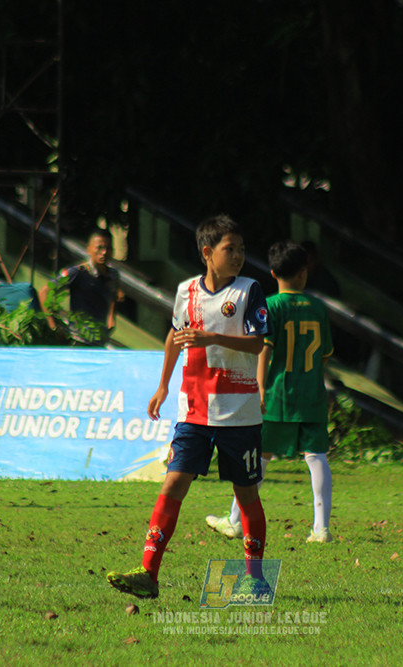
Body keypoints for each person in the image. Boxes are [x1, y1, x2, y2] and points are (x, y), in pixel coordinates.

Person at [106, 214, 271, 599]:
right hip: (193, 410)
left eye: (242, 249)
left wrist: (211, 336)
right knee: (173, 482)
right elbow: (175, 337)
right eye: (231, 249)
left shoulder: (249, 291)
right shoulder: (186, 291)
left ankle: (256, 579)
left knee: (246, 493)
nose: (239, 256)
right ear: (207, 253)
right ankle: (148, 573)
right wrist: (163, 385)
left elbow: (257, 343)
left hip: (239, 413)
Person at [206, 240, 336, 543]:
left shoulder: (271, 305)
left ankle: (235, 520)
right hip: (312, 393)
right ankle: (321, 528)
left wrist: (260, 386)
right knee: (316, 456)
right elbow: (325, 354)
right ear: (305, 273)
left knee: (258, 456)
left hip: (279, 394)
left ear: (273, 271)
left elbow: (265, 348)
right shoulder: (318, 307)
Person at [39, 229, 120, 346]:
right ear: (89, 249)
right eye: (99, 248)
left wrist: (112, 317)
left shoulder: (113, 275)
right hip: (78, 341)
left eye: (108, 248)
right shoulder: (77, 273)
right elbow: (45, 292)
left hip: (100, 341)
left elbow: (113, 295)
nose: (104, 252)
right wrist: (53, 326)